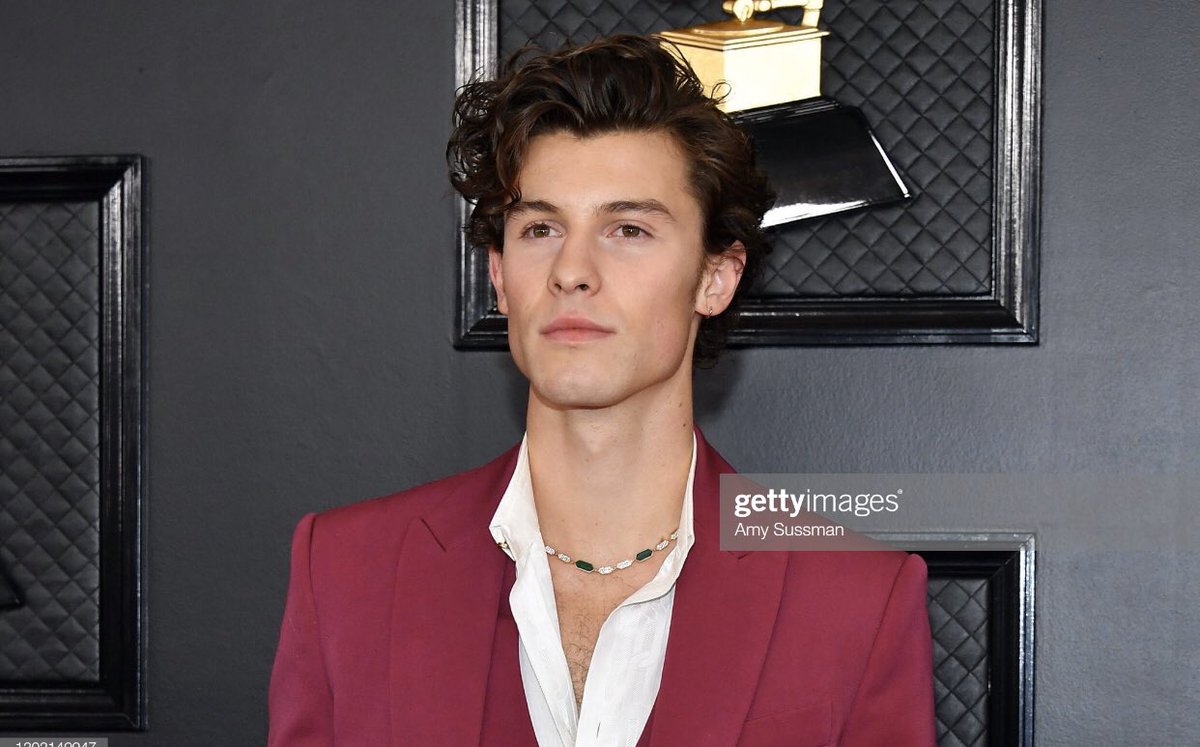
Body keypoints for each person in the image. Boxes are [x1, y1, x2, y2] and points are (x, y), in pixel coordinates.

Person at [268, 34, 935, 746]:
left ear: (716, 277)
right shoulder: (345, 573)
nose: (572, 269)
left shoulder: (858, 599)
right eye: (541, 227)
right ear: (499, 274)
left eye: (627, 228)